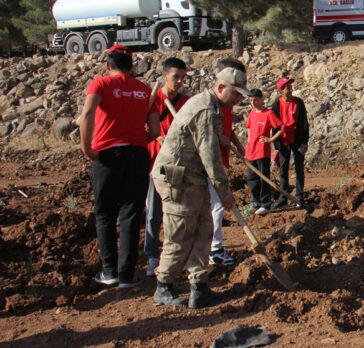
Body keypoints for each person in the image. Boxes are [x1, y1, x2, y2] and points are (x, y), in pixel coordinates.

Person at [151, 67, 247, 308]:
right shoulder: (204, 109)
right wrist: (225, 193)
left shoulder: (213, 107)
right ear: (221, 88)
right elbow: (211, 158)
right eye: (236, 94)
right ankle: (163, 286)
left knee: (204, 226)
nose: (239, 100)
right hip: (176, 175)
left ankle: (199, 287)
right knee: (180, 231)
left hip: (193, 176)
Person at [78, 45, 159, 289]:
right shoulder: (144, 91)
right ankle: (126, 275)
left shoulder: (100, 84)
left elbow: (88, 113)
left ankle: (109, 271)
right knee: (131, 215)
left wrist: (86, 147)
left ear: (107, 65)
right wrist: (135, 142)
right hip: (137, 155)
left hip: (107, 155)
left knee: (104, 214)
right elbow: (154, 131)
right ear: (131, 66)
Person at [144, 57, 190, 277]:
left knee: (175, 211)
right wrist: (157, 139)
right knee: (153, 212)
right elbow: (139, 129)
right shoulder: (151, 99)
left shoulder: (186, 102)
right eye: (176, 77)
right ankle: (152, 255)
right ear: (164, 76)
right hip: (154, 162)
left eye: (183, 77)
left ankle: (174, 256)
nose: (180, 81)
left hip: (175, 164)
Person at [207, 58, 247, 267]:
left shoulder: (227, 103)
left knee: (216, 206)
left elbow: (228, 129)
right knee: (217, 206)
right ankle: (214, 250)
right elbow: (203, 140)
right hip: (209, 162)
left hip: (222, 158)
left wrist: (239, 148)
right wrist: (217, 136)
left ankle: (210, 248)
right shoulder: (211, 105)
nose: (238, 98)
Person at [271, 76, 310, 209]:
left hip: (297, 140)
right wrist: (276, 144)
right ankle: (283, 197)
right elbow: (274, 126)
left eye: (290, 86)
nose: (290, 89)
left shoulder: (298, 103)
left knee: (299, 168)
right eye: (287, 87)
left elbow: (304, 123)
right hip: (283, 140)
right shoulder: (276, 105)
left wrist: (305, 142)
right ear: (281, 90)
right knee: (283, 170)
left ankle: (299, 196)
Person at [245, 89, 282, 215]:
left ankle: (266, 204)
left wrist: (270, 139)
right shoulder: (252, 113)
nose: (253, 102)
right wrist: (249, 140)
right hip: (251, 151)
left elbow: (281, 128)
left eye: (255, 99)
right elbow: (249, 128)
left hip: (262, 151)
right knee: (251, 178)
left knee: (263, 178)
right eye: (250, 100)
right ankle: (256, 203)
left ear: (261, 99)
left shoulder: (268, 113)